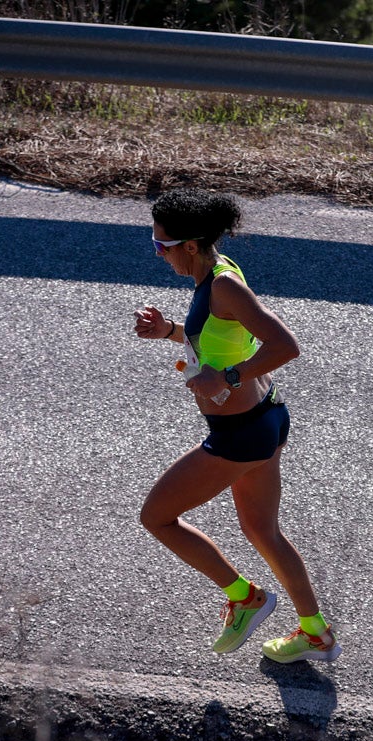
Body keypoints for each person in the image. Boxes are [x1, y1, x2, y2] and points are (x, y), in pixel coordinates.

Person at [133, 188, 340, 664]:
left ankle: (245, 597)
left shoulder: (224, 286)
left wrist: (226, 378)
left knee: (157, 517)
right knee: (264, 532)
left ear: (189, 245)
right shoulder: (217, 273)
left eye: (161, 245)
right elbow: (224, 336)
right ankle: (316, 634)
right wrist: (169, 331)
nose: (158, 253)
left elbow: (285, 345)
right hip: (265, 419)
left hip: (240, 435)